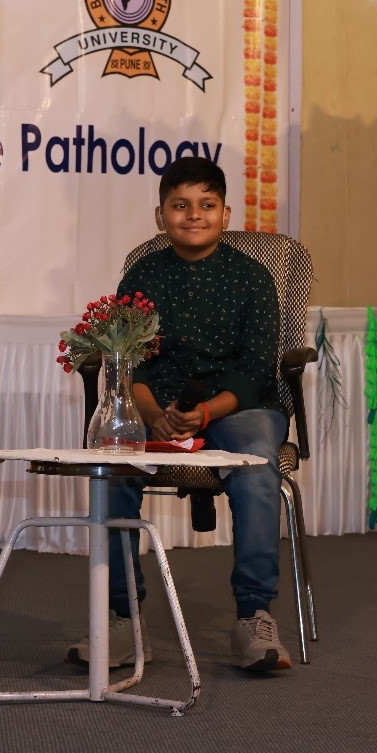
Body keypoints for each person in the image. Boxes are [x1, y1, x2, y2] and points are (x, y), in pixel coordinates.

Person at [66, 155, 292, 674]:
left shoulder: (252, 277)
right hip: (158, 407)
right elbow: (130, 358)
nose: (194, 215)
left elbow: (256, 367)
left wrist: (206, 412)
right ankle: (123, 618)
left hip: (239, 407)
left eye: (206, 205)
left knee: (257, 463)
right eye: (180, 205)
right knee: (115, 462)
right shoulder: (144, 274)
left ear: (225, 214)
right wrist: (150, 412)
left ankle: (254, 615)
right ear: (160, 216)